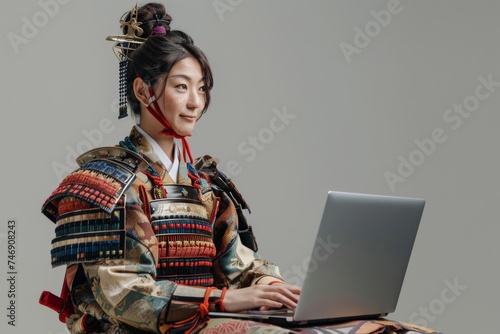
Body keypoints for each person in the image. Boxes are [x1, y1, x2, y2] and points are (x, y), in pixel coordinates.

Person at [39, 3, 442, 334]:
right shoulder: (101, 182)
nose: (196, 101)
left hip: (210, 318)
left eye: (202, 88)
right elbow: (124, 295)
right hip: (145, 330)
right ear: (144, 91)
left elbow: (239, 264)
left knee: (391, 331)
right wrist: (226, 300)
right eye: (182, 87)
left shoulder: (205, 185)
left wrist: (275, 289)